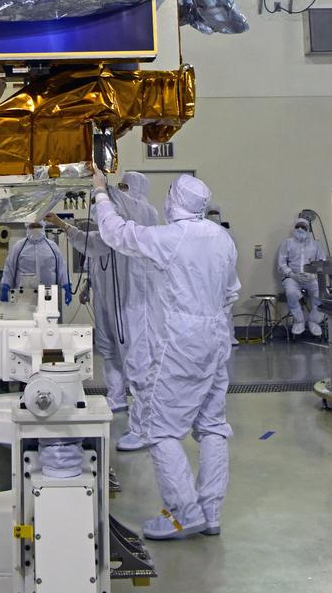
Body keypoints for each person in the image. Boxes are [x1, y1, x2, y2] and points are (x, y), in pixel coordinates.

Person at [92, 168, 240, 541]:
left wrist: (100, 193)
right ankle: (210, 510)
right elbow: (230, 293)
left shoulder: (173, 238)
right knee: (212, 425)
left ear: (176, 201)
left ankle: (184, 513)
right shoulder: (222, 239)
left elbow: (117, 234)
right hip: (216, 336)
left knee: (160, 429)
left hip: (182, 343)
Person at [48, 211, 128, 412]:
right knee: (108, 350)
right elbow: (93, 262)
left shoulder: (124, 238)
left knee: (128, 353)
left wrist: (60, 223)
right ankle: (117, 397)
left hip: (126, 305)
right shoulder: (102, 240)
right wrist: (86, 287)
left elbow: (87, 242)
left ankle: (139, 404)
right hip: (103, 304)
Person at [110, 172, 164, 451]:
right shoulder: (134, 220)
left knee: (141, 364)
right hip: (135, 301)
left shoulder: (145, 210)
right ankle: (145, 425)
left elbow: (122, 203)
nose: (122, 191)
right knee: (136, 362)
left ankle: (144, 430)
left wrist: (99, 186)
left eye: (125, 186)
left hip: (144, 305)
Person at [0, 217, 71, 305]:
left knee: (48, 317)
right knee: (25, 317)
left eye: (38, 226)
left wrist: (67, 286)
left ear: (43, 226)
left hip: (48, 294)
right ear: (27, 227)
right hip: (24, 295)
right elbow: (9, 268)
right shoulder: (19, 246)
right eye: (33, 226)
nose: (36, 228)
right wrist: (5, 287)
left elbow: (62, 268)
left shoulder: (52, 246)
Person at [277, 215, 326, 337]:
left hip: (311, 277)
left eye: (303, 227)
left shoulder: (316, 245)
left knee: (320, 292)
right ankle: (299, 320)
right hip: (292, 278)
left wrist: (314, 275)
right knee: (291, 293)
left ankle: (314, 321)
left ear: (308, 229)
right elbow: (281, 263)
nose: (300, 229)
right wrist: (292, 275)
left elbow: (322, 262)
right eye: (297, 227)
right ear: (294, 228)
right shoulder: (287, 243)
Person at [207, 205, 238, 347]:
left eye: (215, 213)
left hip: (223, 275)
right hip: (206, 276)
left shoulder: (226, 233)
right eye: (210, 213)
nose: (213, 216)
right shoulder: (201, 231)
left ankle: (229, 337)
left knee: (227, 308)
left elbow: (232, 254)